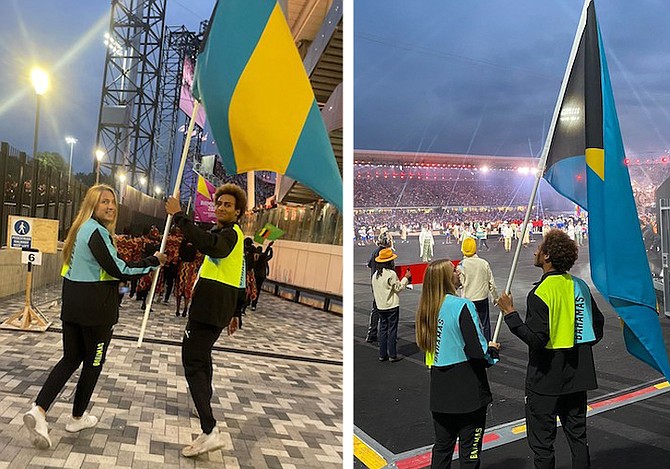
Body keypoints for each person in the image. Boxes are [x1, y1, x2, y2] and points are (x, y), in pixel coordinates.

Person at [22, 184, 165, 449]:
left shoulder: (80, 230)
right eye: (103, 202)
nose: (110, 206)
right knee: (93, 363)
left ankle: (39, 410)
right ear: (92, 205)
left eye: (112, 202)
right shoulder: (96, 232)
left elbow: (92, 269)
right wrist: (152, 261)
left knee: (70, 358)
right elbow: (119, 269)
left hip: (74, 305)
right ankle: (76, 417)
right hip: (96, 311)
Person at [497, 229, 604, 469]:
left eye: (539, 248)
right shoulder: (580, 286)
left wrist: (510, 315)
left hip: (545, 380)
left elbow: (536, 340)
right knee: (578, 439)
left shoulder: (540, 293)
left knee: (543, 446)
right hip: (578, 376)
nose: (535, 251)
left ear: (547, 257)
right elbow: (597, 327)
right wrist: (577, 342)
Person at [165, 183, 247, 458]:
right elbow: (239, 275)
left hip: (209, 310)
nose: (221, 207)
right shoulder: (227, 233)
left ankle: (210, 429)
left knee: (192, 362)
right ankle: (207, 421)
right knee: (203, 361)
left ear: (238, 212)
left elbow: (212, 248)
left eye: (228, 205)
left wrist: (179, 216)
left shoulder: (229, 235)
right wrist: (236, 311)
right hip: (214, 309)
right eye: (219, 203)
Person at [415, 259, 500, 469]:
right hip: (468, 391)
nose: (459, 272)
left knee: (442, 448)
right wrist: (492, 351)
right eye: (454, 270)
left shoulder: (426, 309)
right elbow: (477, 351)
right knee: (469, 452)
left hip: (440, 391)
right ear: (446, 278)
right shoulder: (463, 305)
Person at [371, 248, 411, 362]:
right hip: (392, 306)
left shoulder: (375, 275)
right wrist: (405, 278)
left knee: (383, 329)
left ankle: (382, 354)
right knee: (392, 330)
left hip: (381, 306)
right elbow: (398, 288)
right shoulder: (391, 274)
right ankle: (392, 354)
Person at [457, 237, 498, 341]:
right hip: (482, 298)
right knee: (485, 324)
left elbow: (459, 284)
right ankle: (488, 344)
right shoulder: (484, 263)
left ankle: (473, 345)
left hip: (467, 299)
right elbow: (491, 283)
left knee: (470, 324)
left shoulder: (461, 265)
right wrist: (495, 298)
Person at [365, 232, 393, 343]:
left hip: (375, 283)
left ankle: (372, 333)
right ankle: (383, 334)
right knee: (386, 310)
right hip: (384, 285)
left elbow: (369, 265)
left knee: (376, 308)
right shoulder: (386, 252)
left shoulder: (375, 252)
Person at [250, 241, 274, 311]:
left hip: (254, 275)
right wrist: (270, 248)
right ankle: (254, 304)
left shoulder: (254, 257)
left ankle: (248, 301)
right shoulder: (263, 257)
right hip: (261, 276)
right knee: (258, 289)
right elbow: (269, 255)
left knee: (251, 288)